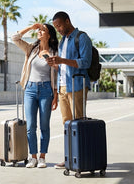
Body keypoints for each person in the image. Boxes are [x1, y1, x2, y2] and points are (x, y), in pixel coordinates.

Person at [46, 11, 93, 169]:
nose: (58, 29)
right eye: (55, 27)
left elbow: (85, 62)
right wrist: (56, 63)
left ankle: (81, 158)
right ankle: (69, 158)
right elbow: (63, 65)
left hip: (77, 85)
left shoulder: (82, 37)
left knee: (78, 121)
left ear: (67, 21)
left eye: (59, 25)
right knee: (66, 125)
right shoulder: (62, 41)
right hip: (63, 86)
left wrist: (63, 60)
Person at [12, 23, 59, 168]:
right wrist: (31, 27)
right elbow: (15, 38)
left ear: (49, 34)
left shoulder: (54, 52)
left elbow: (57, 74)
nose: (39, 31)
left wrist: (55, 95)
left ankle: (42, 157)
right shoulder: (31, 49)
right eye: (38, 30)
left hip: (46, 90)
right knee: (31, 126)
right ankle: (33, 157)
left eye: (42, 30)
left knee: (44, 126)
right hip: (30, 89)